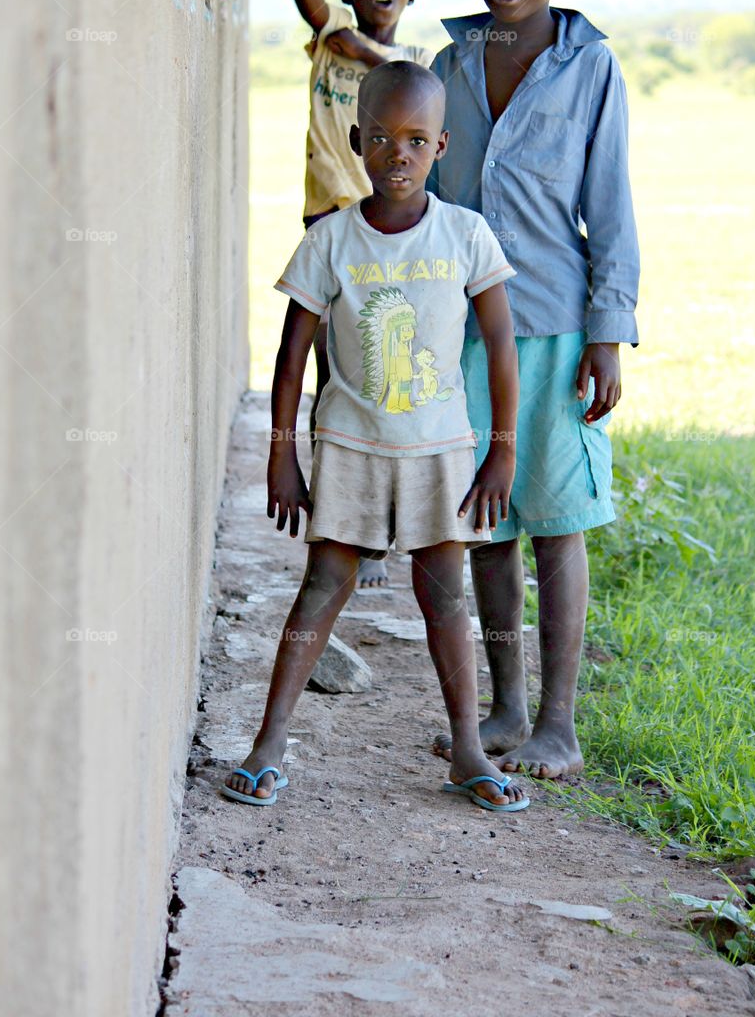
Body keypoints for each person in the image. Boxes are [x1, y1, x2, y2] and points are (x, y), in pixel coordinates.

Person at [222, 61, 528, 813]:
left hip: (438, 452)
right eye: (384, 138)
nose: (399, 154)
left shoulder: (465, 234)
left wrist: (501, 449)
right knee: (323, 586)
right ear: (358, 141)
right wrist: (283, 453)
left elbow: (499, 346)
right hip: (352, 449)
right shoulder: (332, 240)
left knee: (444, 600)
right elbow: (292, 356)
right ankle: (268, 743)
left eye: (417, 140)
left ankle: (464, 749)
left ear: (441, 147)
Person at [429, 0, 640, 780]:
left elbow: (611, 204)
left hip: (554, 326)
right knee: (484, 521)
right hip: (463, 331)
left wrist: (608, 331)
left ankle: (559, 721)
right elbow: (429, 197)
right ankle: (506, 706)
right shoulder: (447, 66)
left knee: (555, 520)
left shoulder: (588, 65)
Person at [289, 0, 434, 588]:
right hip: (331, 222)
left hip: (390, 231)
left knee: (382, 370)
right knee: (331, 374)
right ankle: (336, 519)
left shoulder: (408, 67)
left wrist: (370, 53)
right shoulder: (329, 30)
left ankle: (377, 527)